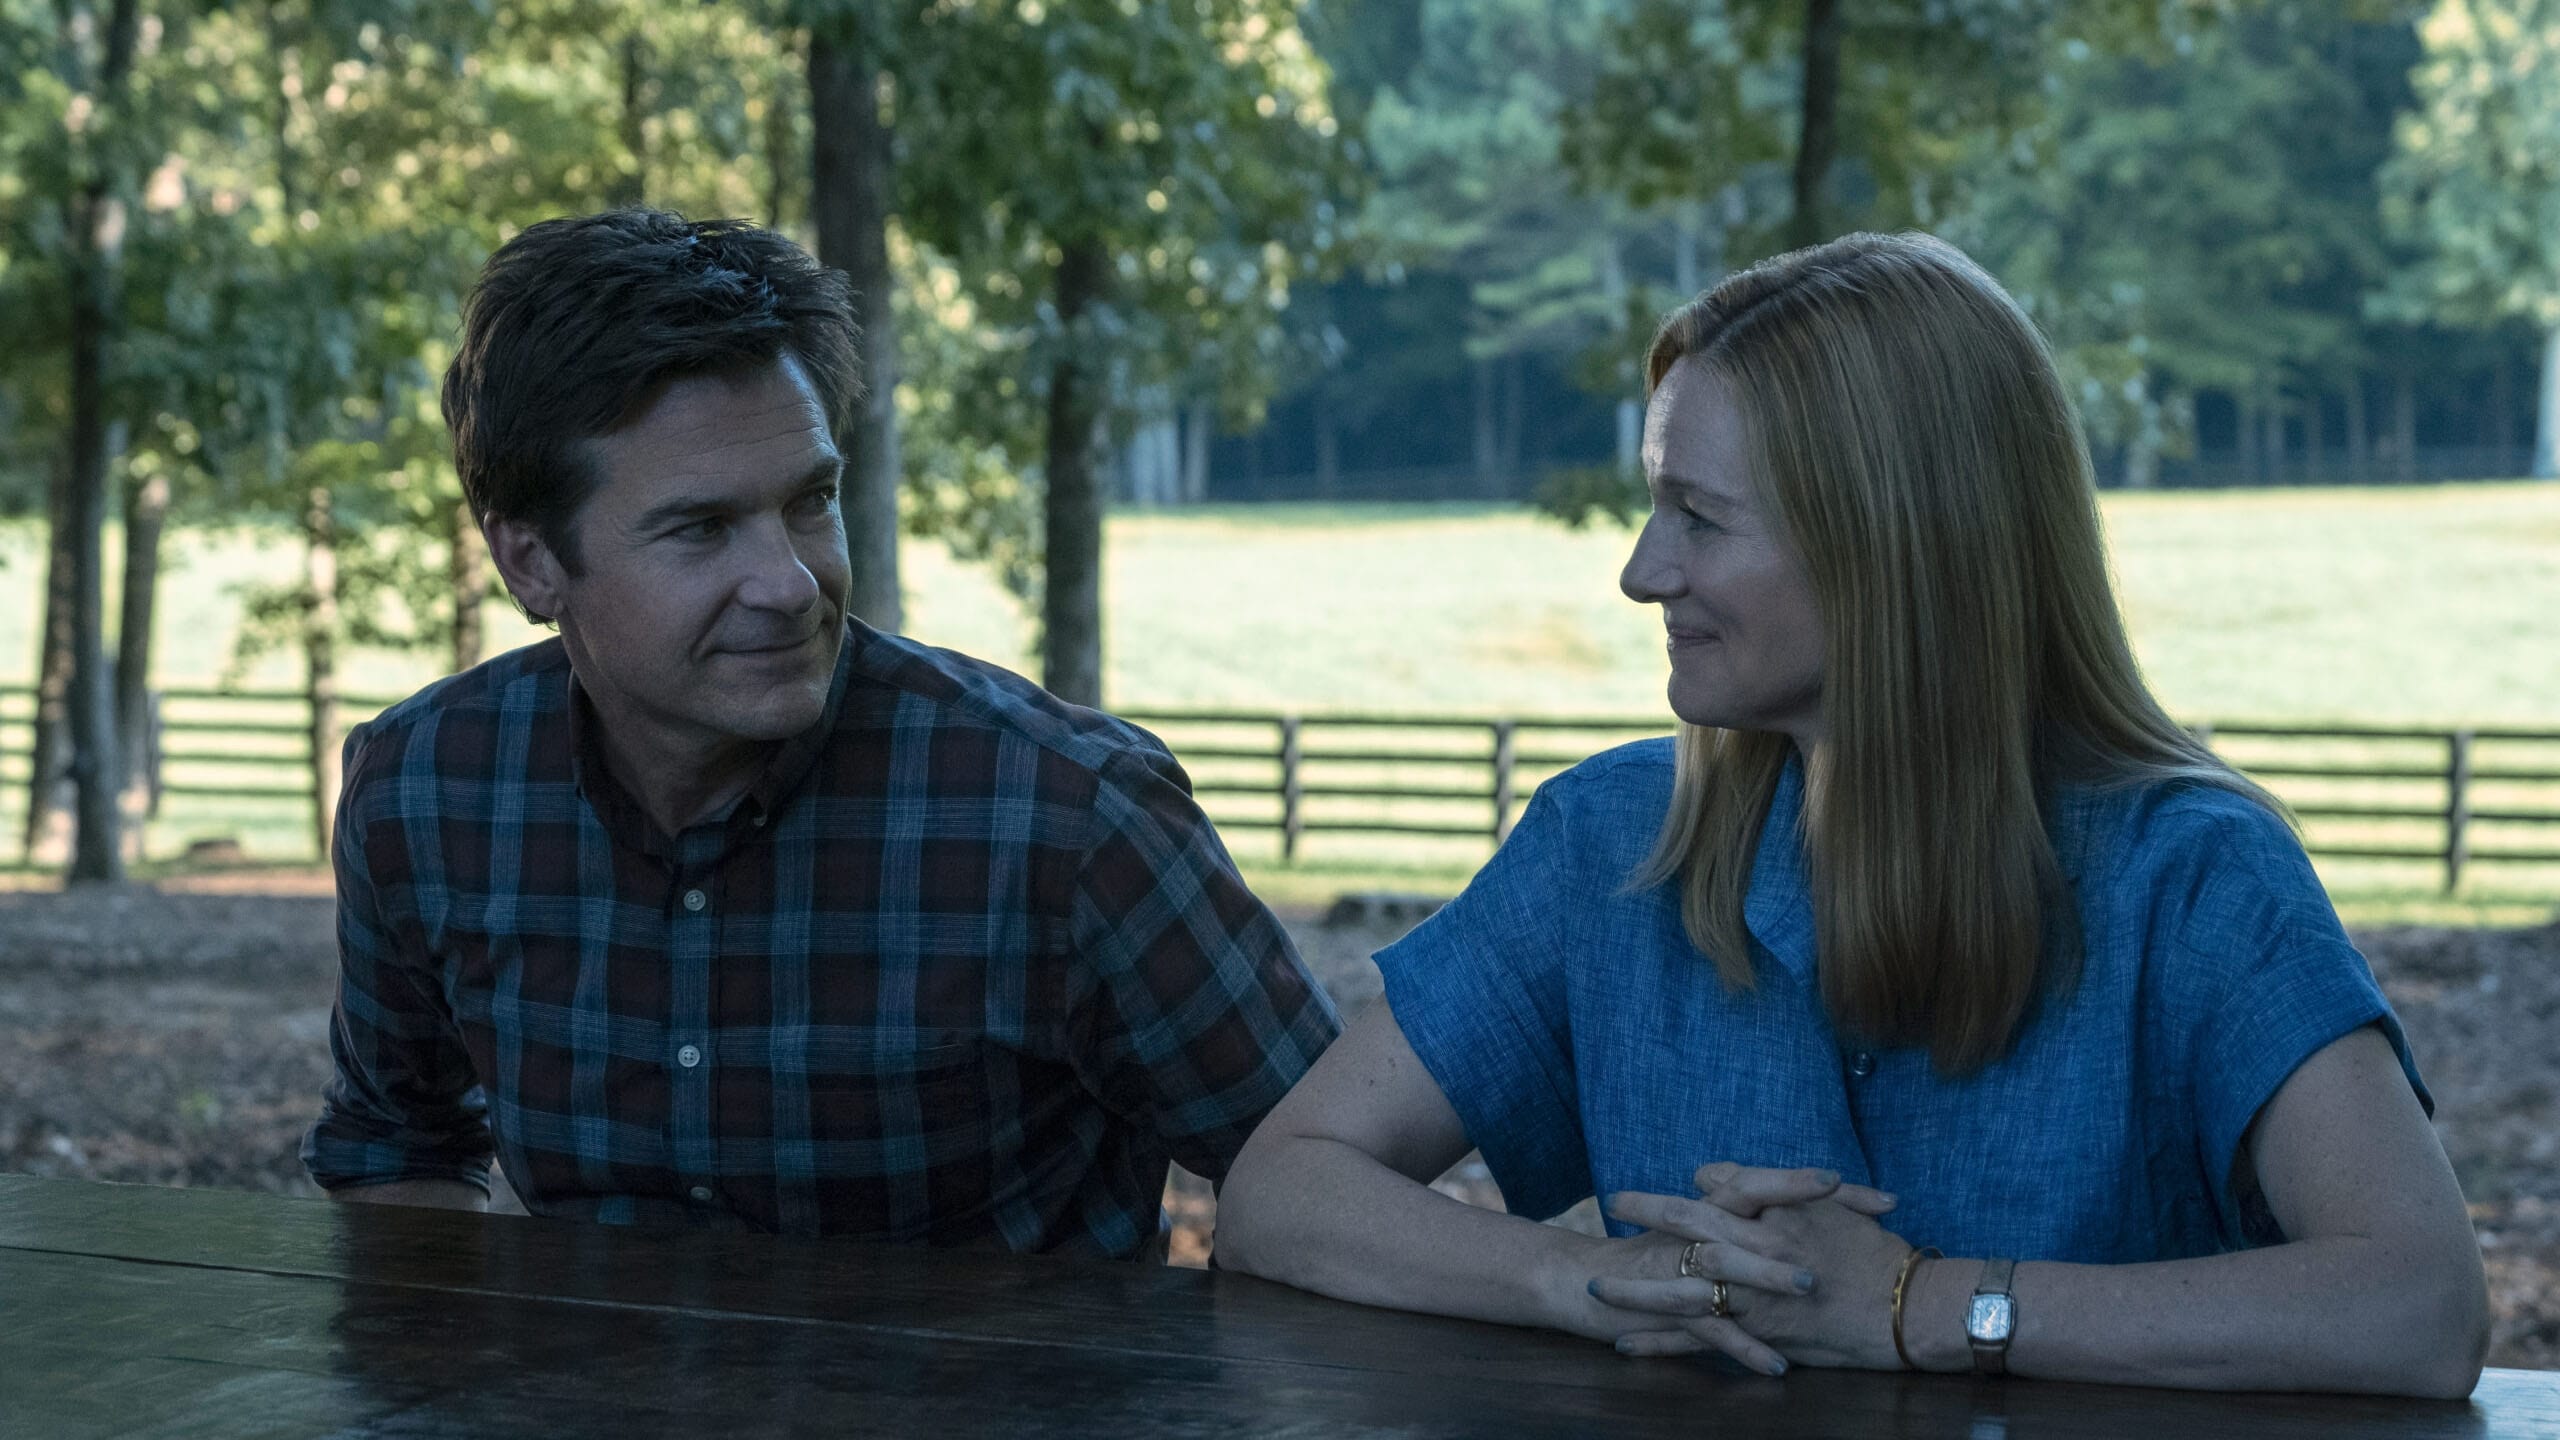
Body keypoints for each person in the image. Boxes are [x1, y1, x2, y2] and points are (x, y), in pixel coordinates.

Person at [1214, 232, 2489, 1395]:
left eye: (1699, 517)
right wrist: (1591, 1282)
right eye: (1655, 505)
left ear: (1889, 544)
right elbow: (1281, 1190)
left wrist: (1918, 1306)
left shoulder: (2194, 875)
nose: (1643, 571)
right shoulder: (1607, 843)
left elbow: (2417, 1306)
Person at [302, 209, 1339, 1257]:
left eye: (812, 500)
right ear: (530, 563)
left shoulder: (1071, 819)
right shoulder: (425, 791)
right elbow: (397, 1148)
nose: (791, 583)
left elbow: (1335, 1173)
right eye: (702, 528)